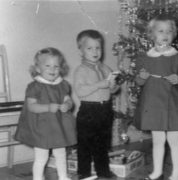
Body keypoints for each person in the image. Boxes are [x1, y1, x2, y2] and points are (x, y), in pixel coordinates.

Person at [134, 14, 178, 180]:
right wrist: (142, 77)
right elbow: (138, 81)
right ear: (152, 34)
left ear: (173, 34)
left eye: (169, 31)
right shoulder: (145, 58)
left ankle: (176, 173)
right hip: (153, 104)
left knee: (174, 140)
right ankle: (157, 171)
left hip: (173, 104)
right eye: (160, 31)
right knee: (158, 140)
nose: (165, 34)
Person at [15, 47, 77, 180]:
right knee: (41, 157)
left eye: (56, 66)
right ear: (38, 68)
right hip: (42, 128)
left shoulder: (63, 84)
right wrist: (48, 107)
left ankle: (63, 177)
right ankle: (38, 178)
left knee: (61, 154)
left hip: (58, 126)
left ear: (61, 68)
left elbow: (68, 100)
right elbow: (31, 106)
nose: (52, 69)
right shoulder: (34, 86)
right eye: (47, 66)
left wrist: (67, 104)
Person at [73, 29, 119, 180]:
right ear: (81, 50)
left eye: (98, 47)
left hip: (104, 110)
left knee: (102, 144)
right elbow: (80, 91)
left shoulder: (106, 69)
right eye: (89, 48)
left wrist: (113, 86)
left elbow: (113, 90)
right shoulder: (81, 70)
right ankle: (83, 172)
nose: (95, 51)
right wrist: (99, 85)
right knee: (84, 144)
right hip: (89, 111)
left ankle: (103, 172)